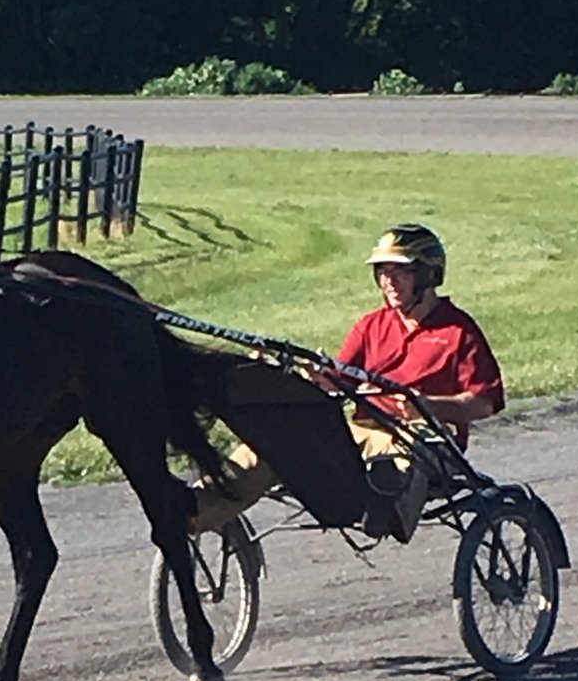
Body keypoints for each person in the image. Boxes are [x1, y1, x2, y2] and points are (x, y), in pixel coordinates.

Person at [194, 223, 505, 540]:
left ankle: (386, 508)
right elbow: (335, 383)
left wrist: (428, 406)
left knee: (407, 446)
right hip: (363, 434)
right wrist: (311, 377)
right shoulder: (372, 326)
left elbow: (484, 402)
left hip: (429, 438)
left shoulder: (458, 331)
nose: (389, 282)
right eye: (383, 272)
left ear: (428, 274)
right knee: (271, 443)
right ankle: (192, 507)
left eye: (401, 272)